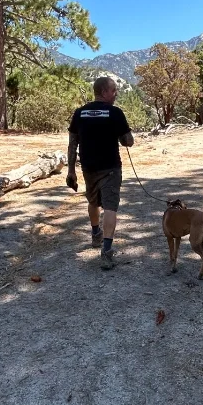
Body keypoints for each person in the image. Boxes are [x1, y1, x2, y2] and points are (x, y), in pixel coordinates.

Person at [67, 76, 134, 269]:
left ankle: (95, 233)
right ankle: (106, 251)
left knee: (92, 201)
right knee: (110, 207)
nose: (116, 94)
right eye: (113, 91)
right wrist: (124, 135)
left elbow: (72, 143)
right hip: (111, 168)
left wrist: (71, 170)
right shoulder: (115, 113)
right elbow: (128, 141)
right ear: (104, 91)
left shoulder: (80, 113)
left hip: (88, 168)